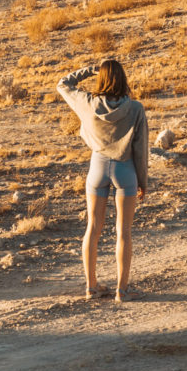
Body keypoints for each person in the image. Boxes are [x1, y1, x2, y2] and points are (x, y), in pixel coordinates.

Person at [57, 59, 148, 303]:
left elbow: (63, 84)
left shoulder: (87, 103)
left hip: (97, 167)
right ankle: (122, 290)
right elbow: (140, 149)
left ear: (102, 78)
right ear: (123, 79)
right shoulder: (136, 109)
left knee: (93, 228)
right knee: (124, 233)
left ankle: (91, 286)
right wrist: (143, 181)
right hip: (125, 170)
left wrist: (89, 69)